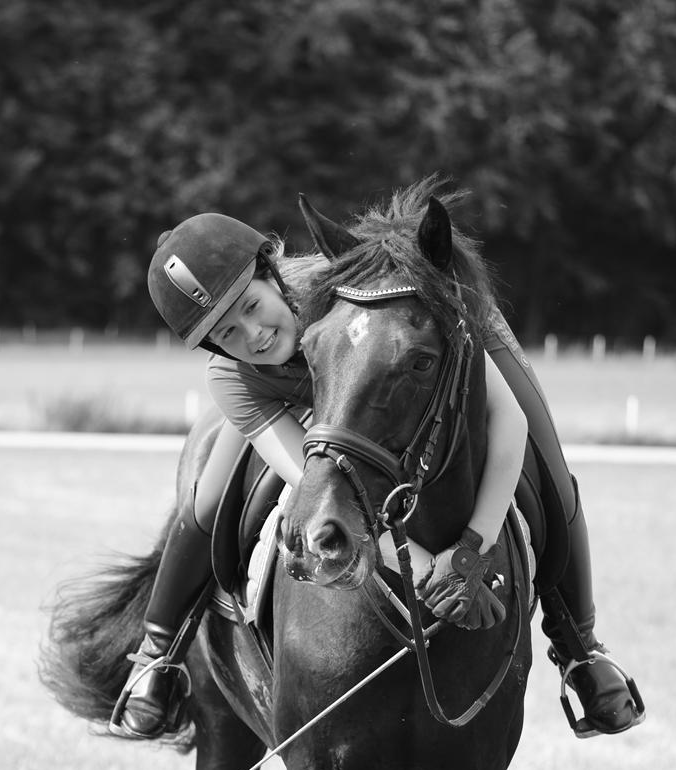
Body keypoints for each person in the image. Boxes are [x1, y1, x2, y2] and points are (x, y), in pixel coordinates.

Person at [111, 191, 644, 740]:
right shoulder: (232, 376)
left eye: (250, 307)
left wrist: (472, 549)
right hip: (315, 416)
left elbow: (506, 419)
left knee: (550, 466)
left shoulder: (352, 290)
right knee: (205, 500)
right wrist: (426, 568)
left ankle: (580, 647)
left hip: (439, 323)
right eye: (227, 334)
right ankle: (157, 654)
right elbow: (316, 484)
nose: (254, 336)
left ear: (271, 273)